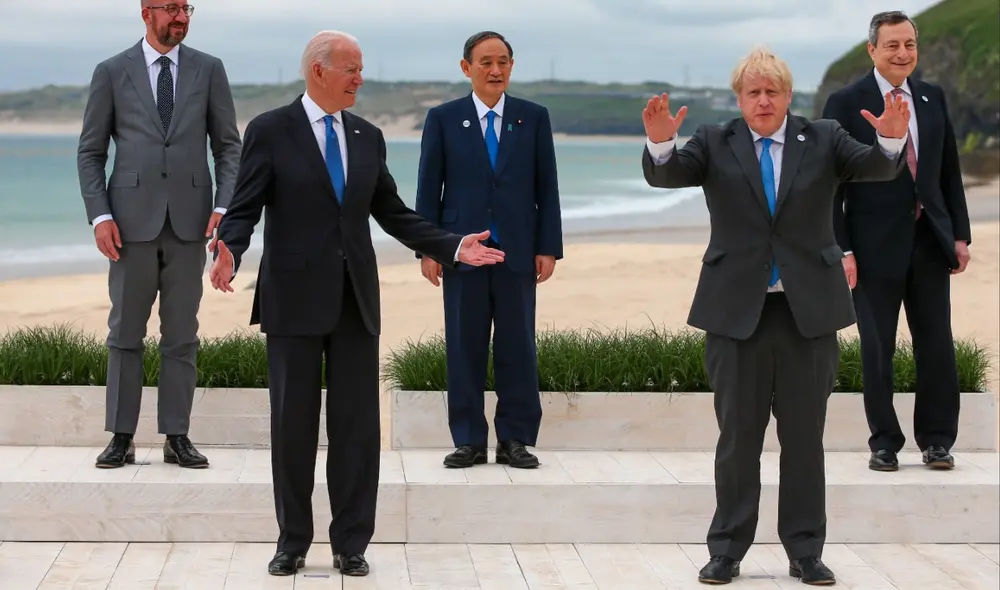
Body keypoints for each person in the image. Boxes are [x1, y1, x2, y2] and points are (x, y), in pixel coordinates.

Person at [209, 30, 505, 578]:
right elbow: (245, 205)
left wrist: (452, 245)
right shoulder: (271, 130)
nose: (359, 79)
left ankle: (351, 543)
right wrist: (230, 247)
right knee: (293, 428)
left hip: (355, 301)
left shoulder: (368, 135)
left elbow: (393, 211)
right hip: (293, 300)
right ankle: (292, 541)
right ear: (318, 72)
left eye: (361, 70)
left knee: (356, 430)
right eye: (352, 69)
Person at [641, 46, 909, 585]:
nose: (763, 101)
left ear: (789, 95)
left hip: (807, 310)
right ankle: (727, 550)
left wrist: (891, 137)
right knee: (738, 438)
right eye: (752, 92)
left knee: (805, 439)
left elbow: (877, 168)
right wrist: (661, 142)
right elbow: (668, 176)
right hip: (735, 311)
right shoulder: (716, 140)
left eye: (773, 91)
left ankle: (805, 551)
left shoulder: (826, 137)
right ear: (739, 99)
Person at [77, 0, 241, 470]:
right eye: (171, 9)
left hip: (191, 223)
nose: (181, 18)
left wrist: (224, 207)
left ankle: (177, 435)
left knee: (181, 335)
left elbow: (228, 146)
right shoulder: (111, 71)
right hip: (128, 224)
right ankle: (122, 437)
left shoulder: (210, 69)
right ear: (146, 12)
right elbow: (90, 153)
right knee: (125, 332)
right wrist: (99, 216)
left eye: (187, 8)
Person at [822, 11, 972, 473]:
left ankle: (937, 441)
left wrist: (960, 234)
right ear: (872, 50)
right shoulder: (846, 103)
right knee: (877, 348)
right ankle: (884, 441)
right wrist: (842, 249)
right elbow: (830, 186)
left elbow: (947, 170)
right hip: (871, 249)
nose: (902, 53)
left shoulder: (932, 97)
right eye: (892, 45)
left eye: (909, 44)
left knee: (936, 345)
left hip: (930, 240)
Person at [415, 31, 563, 470]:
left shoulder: (533, 117)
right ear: (466, 68)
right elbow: (429, 188)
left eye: (503, 62)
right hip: (462, 252)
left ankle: (515, 439)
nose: (495, 70)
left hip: (518, 251)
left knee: (518, 346)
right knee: (464, 345)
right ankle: (468, 440)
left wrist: (548, 247)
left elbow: (547, 187)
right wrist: (430, 249)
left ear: (512, 66)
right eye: (485, 63)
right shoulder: (444, 118)